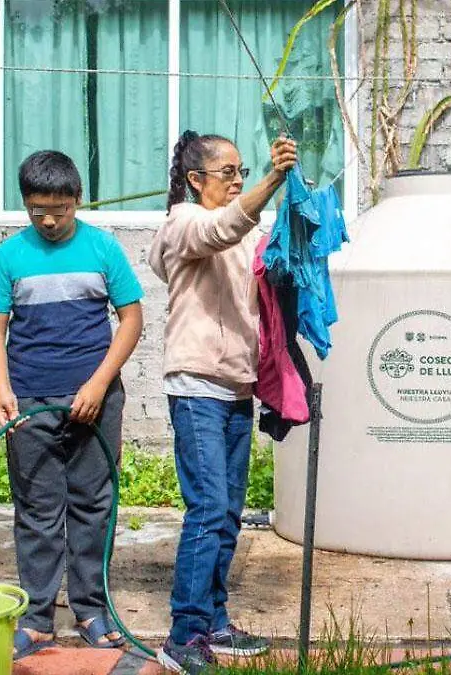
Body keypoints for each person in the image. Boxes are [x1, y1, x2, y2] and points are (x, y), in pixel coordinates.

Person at [0, 150, 144, 660]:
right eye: (36, 210)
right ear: (26, 205)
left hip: (95, 401)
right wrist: (4, 392)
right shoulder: (9, 256)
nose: (48, 220)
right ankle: (37, 619)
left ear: (77, 200)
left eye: (59, 209)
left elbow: (132, 320)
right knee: (37, 510)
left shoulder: (103, 249)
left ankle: (92, 610)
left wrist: (97, 385)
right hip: (30, 400)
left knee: (93, 506)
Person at [148, 131, 297, 672]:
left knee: (228, 514)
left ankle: (214, 622)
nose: (237, 180)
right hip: (196, 389)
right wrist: (273, 179)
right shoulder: (184, 222)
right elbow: (224, 224)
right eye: (227, 171)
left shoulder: (240, 236)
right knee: (207, 509)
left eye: (243, 170)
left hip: (235, 388)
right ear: (195, 179)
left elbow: (256, 250)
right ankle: (182, 636)